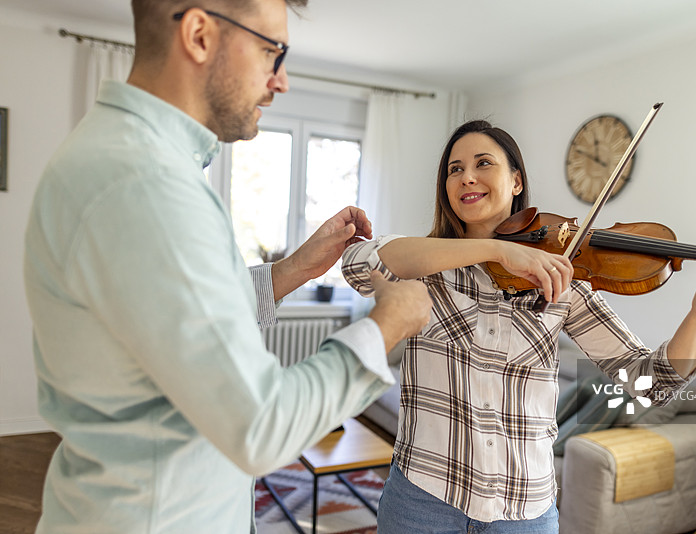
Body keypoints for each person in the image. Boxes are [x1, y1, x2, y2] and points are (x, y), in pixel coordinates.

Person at [23, 0, 431, 532]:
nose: (280, 81)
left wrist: (293, 270)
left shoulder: (130, 160)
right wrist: (387, 324)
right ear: (198, 35)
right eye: (271, 51)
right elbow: (260, 426)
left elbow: (171, 320)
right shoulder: (146, 184)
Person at [340, 119, 696, 533]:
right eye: (455, 169)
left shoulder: (562, 279)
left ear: (516, 181)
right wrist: (497, 250)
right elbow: (357, 263)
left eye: (484, 163)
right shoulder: (425, 265)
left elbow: (651, 382)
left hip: (524, 514)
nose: (467, 176)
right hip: (422, 503)